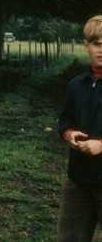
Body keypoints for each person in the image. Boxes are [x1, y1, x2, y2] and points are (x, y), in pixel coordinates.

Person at [57, 15, 102, 242]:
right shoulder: (76, 85)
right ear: (86, 45)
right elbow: (65, 119)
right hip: (80, 180)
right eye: (97, 44)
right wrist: (69, 133)